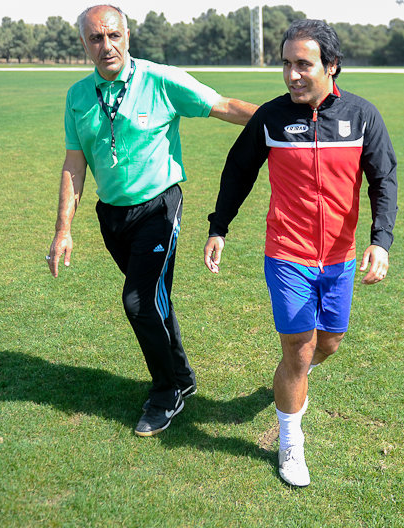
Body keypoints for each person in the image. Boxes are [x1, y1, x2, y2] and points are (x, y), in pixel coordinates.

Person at [46, 5, 258, 437]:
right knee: (156, 300)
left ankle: (167, 393)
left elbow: (222, 105)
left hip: (159, 207)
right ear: (84, 44)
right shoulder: (78, 96)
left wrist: (284, 121)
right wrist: (63, 230)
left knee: (139, 302)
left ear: (128, 35)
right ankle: (182, 375)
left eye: (113, 35)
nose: (106, 46)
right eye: (95, 38)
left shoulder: (161, 79)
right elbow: (74, 163)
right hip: (113, 216)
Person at [203, 20, 398, 486]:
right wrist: (219, 227)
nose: (291, 74)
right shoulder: (271, 117)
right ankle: (290, 441)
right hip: (286, 253)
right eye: (286, 63)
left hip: (340, 257)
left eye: (303, 64)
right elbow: (238, 170)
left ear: (331, 66)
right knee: (298, 346)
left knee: (327, 343)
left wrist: (380, 241)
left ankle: (291, 380)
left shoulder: (362, 116)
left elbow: (384, 179)